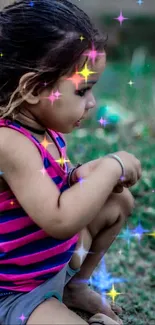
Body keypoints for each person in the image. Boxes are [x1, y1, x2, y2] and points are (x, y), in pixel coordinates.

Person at [0, 0, 142, 324]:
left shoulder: (42, 125)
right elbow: (59, 219)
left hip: (53, 260)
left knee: (117, 201)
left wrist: (78, 175)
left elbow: (47, 186)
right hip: (19, 290)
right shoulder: (8, 142)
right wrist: (109, 166)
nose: (92, 103)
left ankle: (75, 286)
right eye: (83, 91)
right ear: (34, 88)